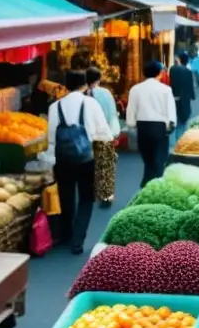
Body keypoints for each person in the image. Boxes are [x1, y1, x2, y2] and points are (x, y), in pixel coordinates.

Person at [46, 71, 113, 254]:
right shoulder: (91, 104)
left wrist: (51, 161)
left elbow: (51, 138)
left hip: (62, 159)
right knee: (85, 198)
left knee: (66, 197)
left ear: (65, 86)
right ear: (84, 85)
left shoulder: (55, 107)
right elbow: (103, 132)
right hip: (86, 158)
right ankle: (77, 241)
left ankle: (66, 235)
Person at [127, 61, 177, 188]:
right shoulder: (165, 89)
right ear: (159, 73)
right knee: (159, 158)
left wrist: (131, 124)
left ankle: (147, 182)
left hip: (142, 126)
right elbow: (170, 110)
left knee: (147, 158)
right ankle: (154, 184)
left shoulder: (135, 89)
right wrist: (171, 124)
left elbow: (131, 109)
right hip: (160, 127)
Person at [86, 67, 120, 208]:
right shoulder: (106, 93)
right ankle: (106, 196)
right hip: (105, 134)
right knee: (106, 166)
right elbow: (113, 112)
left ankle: (91, 193)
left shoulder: (84, 95)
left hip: (89, 136)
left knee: (90, 166)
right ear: (99, 79)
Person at [169, 51, 195, 143]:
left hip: (174, 98)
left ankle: (173, 143)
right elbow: (190, 86)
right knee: (183, 121)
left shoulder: (172, 69)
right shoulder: (188, 72)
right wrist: (192, 96)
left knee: (174, 120)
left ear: (179, 59)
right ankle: (181, 142)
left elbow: (171, 83)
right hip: (185, 99)